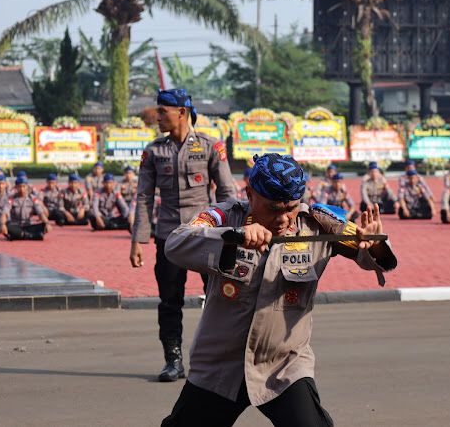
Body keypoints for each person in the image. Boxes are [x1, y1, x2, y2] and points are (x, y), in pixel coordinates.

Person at [159, 153, 397, 427]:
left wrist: (375, 244)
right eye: (273, 208)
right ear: (250, 194)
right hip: (220, 366)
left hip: (283, 367)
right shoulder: (224, 217)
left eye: (291, 208)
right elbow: (175, 244)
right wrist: (233, 238)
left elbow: (370, 254)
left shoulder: (319, 224)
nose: (283, 218)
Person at [129, 88, 236, 383]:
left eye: (163, 111)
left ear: (182, 113)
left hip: (206, 236)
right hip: (169, 238)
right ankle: (173, 361)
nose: (157, 117)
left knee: (218, 298)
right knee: (169, 301)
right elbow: (144, 197)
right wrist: (138, 240)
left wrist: (231, 234)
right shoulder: (153, 151)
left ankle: (217, 359)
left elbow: (227, 193)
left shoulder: (211, 146)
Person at [0, 176, 51, 241]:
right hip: (16, 226)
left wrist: (47, 223)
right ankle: (31, 236)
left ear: (27, 187)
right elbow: (5, 213)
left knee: (44, 226)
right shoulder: (11, 199)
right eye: (19, 187)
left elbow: (40, 213)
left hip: (28, 226)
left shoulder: (33, 198)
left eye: (24, 186)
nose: (22, 189)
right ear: (16, 187)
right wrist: (2, 224)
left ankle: (21, 235)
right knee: (6, 227)